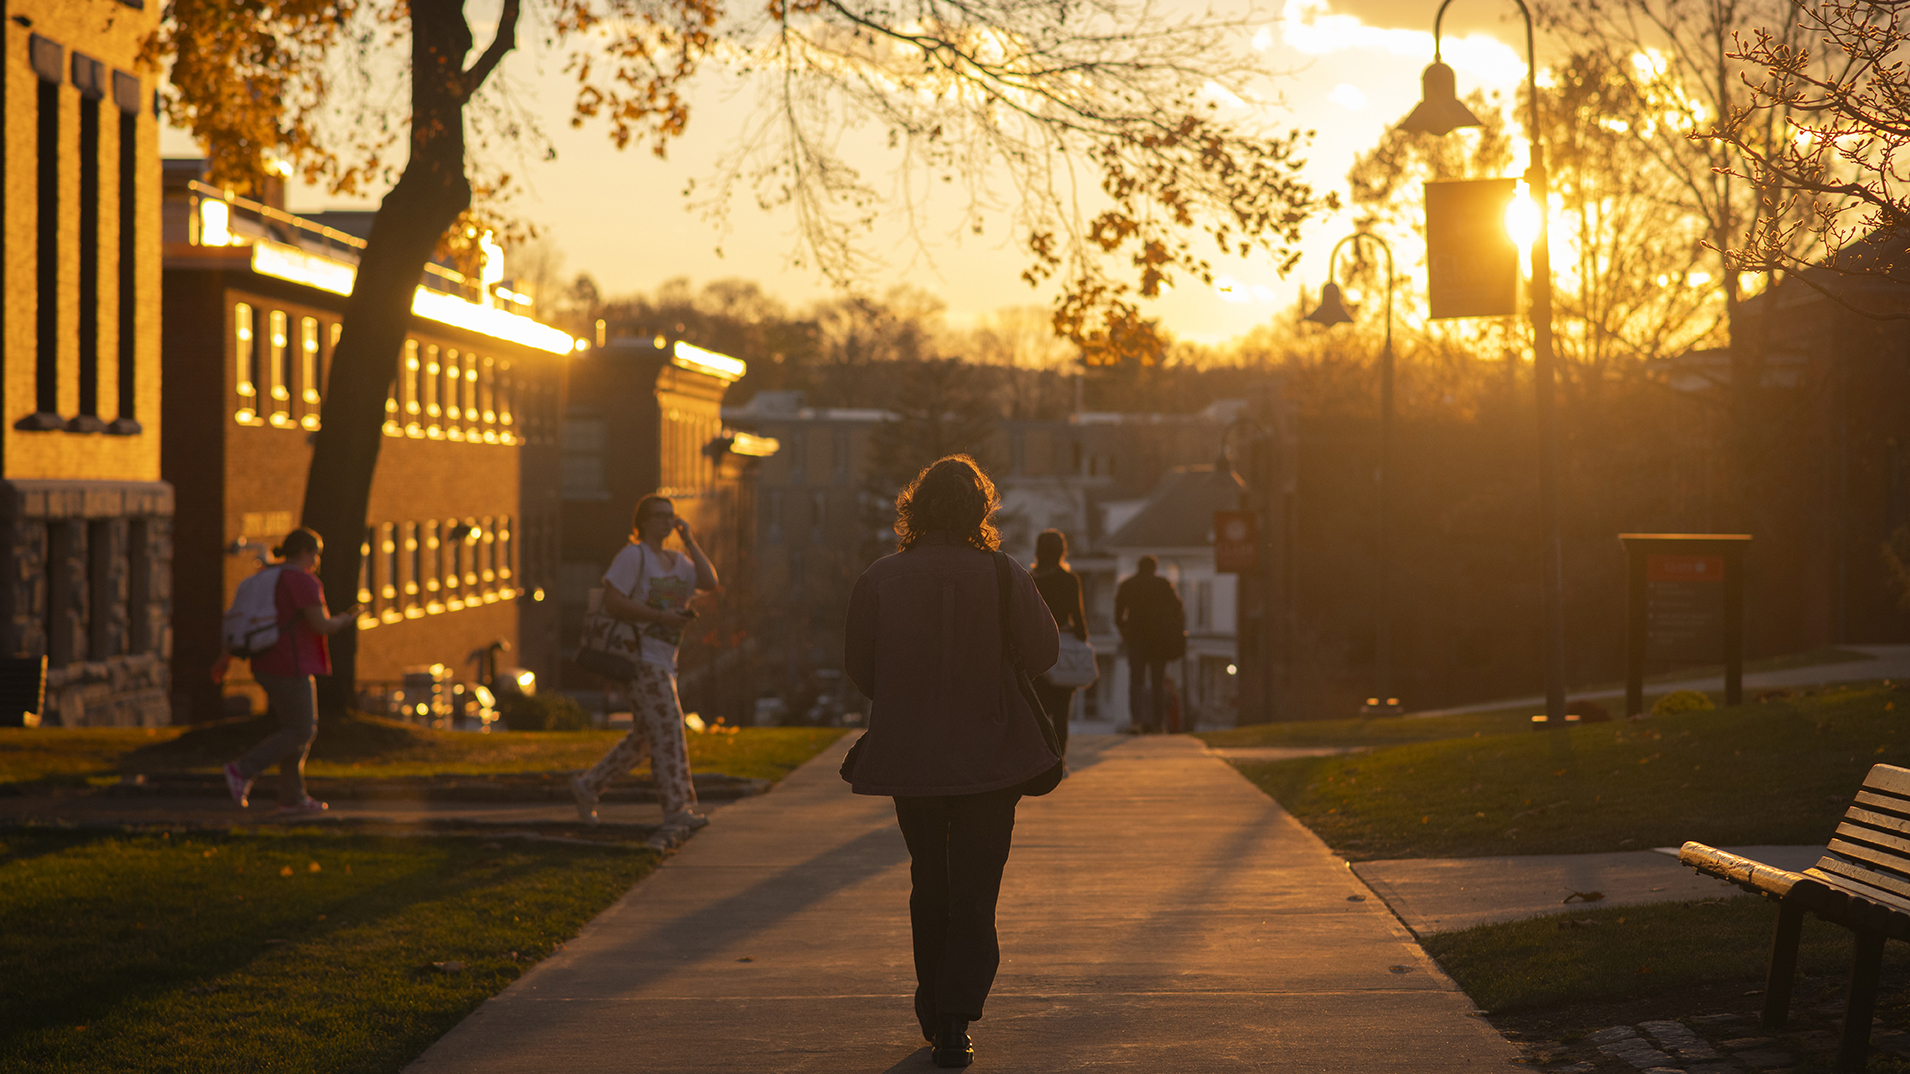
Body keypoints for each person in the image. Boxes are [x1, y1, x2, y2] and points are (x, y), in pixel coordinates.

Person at [844, 455, 1059, 1070]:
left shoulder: (880, 579)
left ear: (914, 509)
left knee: (928, 879)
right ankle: (955, 1018)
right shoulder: (1003, 574)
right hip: (990, 757)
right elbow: (1044, 653)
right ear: (980, 511)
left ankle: (935, 1003)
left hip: (910, 757)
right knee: (975, 888)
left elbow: (862, 667)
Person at [570, 494, 719, 837]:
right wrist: (659, 617)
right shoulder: (633, 555)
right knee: (670, 727)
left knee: (646, 738)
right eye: (660, 515)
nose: (668, 521)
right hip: (637, 658)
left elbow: (709, 582)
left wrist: (690, 539)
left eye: (672, 515)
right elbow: (613, 600)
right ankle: (677, 808)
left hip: (665, 660)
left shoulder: (678, 560)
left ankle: (588, 785)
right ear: (644, 521)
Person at [219, 527, 361, 814]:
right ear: (305, 552)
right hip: (290, 664)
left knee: (295, 730)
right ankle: (242, 770)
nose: (317, 561)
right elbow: (321, 625)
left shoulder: (268, 576)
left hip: (266, 662)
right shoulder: (302, 581)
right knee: (301, 729)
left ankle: (292, 798)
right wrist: (347, 619)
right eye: (316, 554)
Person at [1029, 528, 1087, 759]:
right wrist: (1081, 639)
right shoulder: (1069, 580)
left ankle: (1038, 758)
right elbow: (1078, 616)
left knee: (1039, 709)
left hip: (1036, 649)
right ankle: (1059, 760)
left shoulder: (1030, 580)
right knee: (1062, 712)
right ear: (1062, 551)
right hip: (1063, 648)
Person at [1114, 555, 1186, 734]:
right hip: (1159, 639)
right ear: (1154, 568)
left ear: (1138, 567)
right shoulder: (1163, 585)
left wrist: (1125, 632)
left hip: (1136, 638)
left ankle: (1136, 721)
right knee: (1157, 682)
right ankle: (1157, 724)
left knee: (1136, 681)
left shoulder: (1128, 585)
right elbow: (1178, 607)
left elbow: (1118, 614)